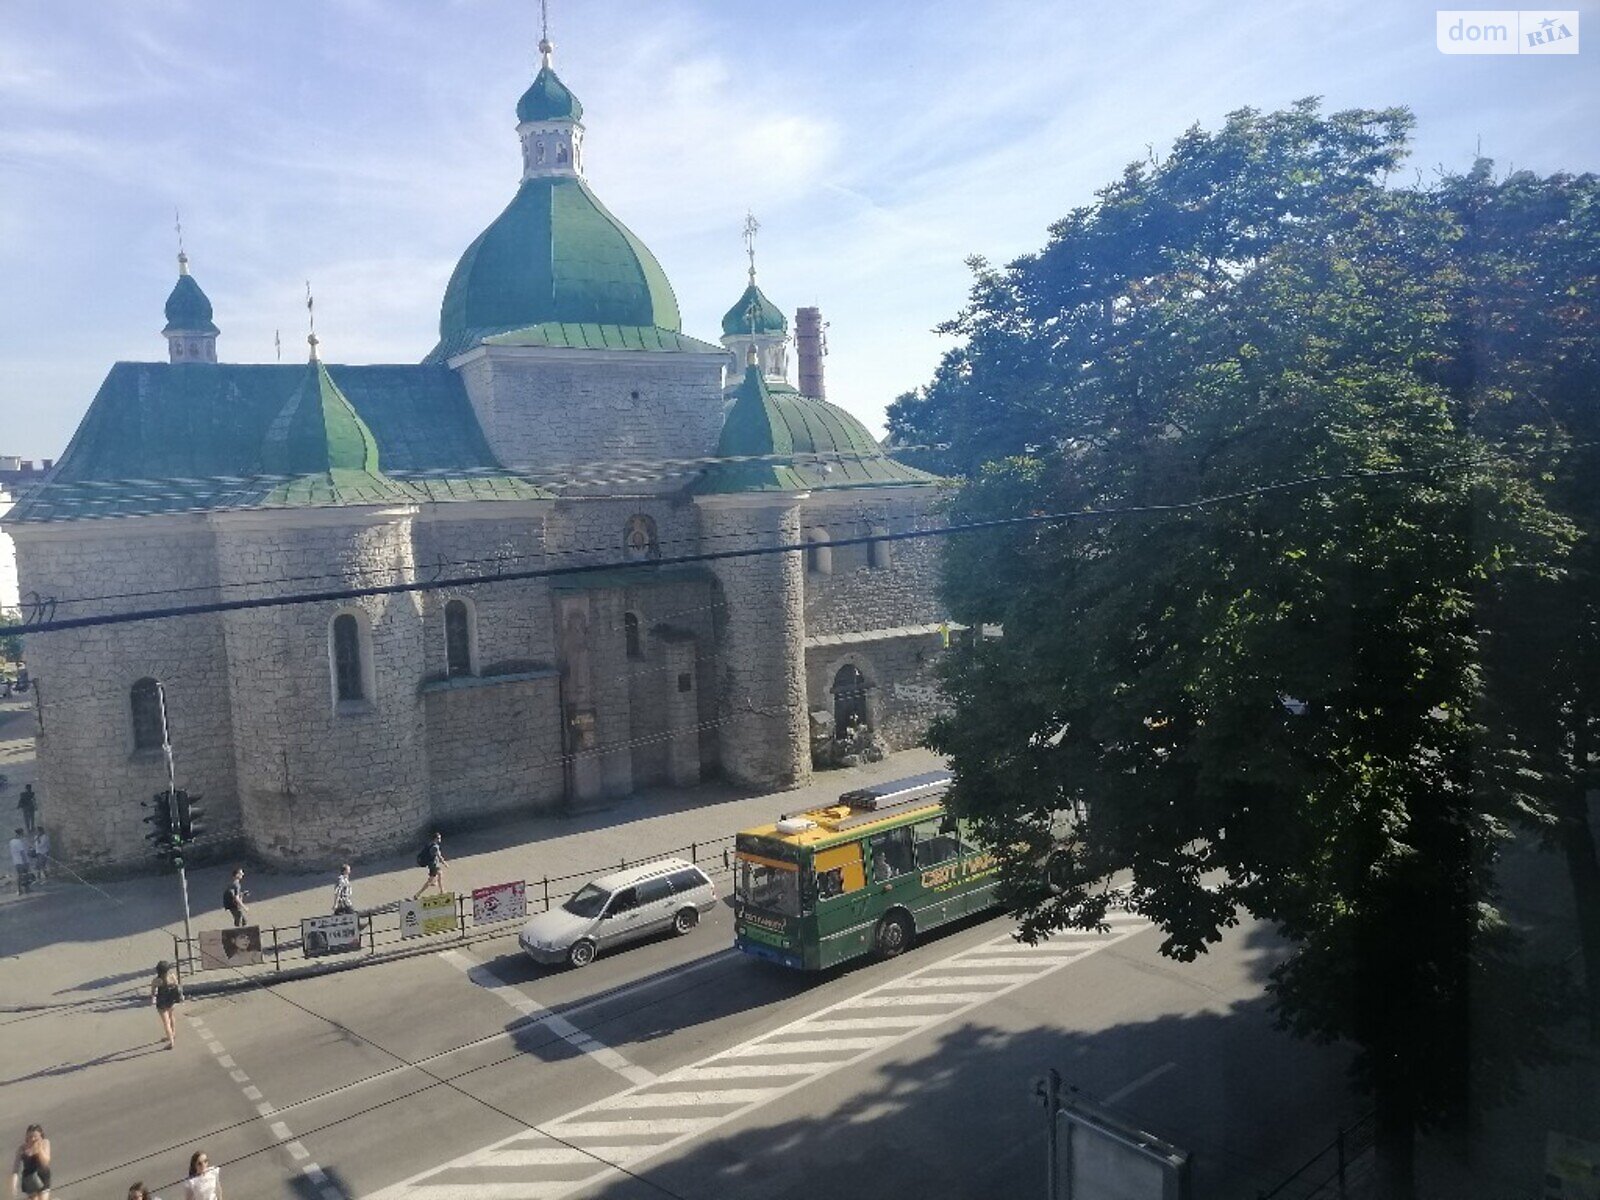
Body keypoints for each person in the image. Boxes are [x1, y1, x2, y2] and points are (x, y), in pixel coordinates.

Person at [10, 1124, 50, 1200]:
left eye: (35, 1137)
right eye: (30, 1137)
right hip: (29, 1178)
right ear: (26, 1137)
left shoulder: (45, 1143)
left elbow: (45, 1162)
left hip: (43, 1176)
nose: (32, 1139)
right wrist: (13, 1185)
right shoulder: (22, 1149)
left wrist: (39, 1149)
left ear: (41, 1136)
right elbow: (16, 1169)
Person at [150, 961, 183, 1049]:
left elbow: (153, 992)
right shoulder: (172, 976)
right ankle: (173, 1033)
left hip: (161, 1003)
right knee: (171, 1016)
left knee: (166, 1023)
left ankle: (171, 1041)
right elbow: (177, 986)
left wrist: (152, 999)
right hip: (171, 1000)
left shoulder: (156, 981)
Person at [413, 832, 446, 899]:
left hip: (432, 865)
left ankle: (442, 890)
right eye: (438, 838)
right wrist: (445, 864)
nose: (440, 839)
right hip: (434, 866)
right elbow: (439, 857)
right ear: (435, 839)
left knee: (440, 875)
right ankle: (417, 894)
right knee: (430, 881)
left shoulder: (430, 844)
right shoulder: (435, 847)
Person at [7, 829, 29, 895]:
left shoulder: (11, 841)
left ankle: (19, 890)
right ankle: (26, 889)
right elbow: (22, 853)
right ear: (20, 834)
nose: (23, 834)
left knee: (20, 875)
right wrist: (26, 862)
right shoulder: (19, 842)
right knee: (25, 875)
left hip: (16, 861)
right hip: (21, 861)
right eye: (22, 833)